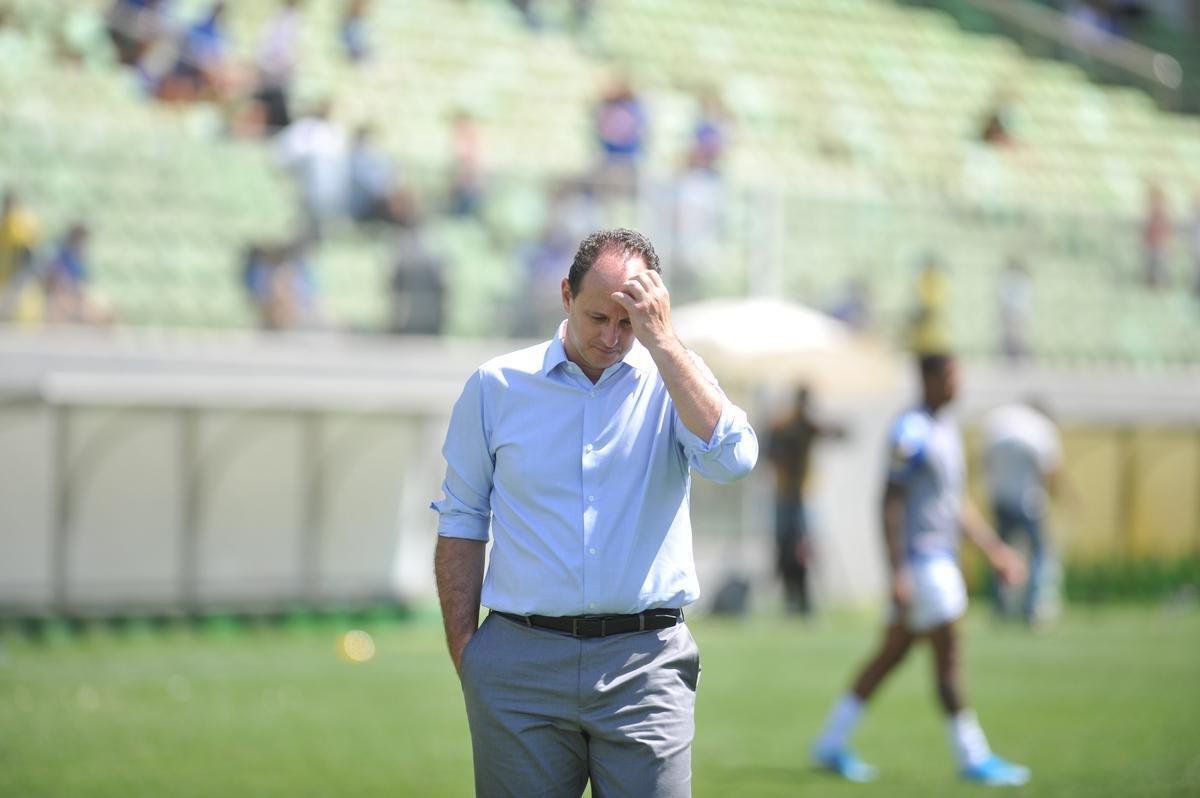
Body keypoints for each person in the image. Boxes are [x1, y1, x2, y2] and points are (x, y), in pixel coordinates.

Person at [431, 228, 758, 797]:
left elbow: (734, 461)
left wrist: (665, 343)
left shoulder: (674, 378)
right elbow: (461, 519)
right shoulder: (496, 386)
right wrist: (469, 655)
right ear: (566, 295)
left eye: (628, 322)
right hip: (519, 661)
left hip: (646, 665)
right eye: (597, 317)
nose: (611, 337)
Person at [810, 353, 1030, 787]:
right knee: (949, 657)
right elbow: (889, 500)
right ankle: (972, 756)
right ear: (928, 379)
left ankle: (830, 742)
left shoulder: (944, 429)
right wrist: (898, 570)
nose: (958, 384)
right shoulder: (910, 431)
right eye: (951, 376)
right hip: (924, 564)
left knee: (891, 655)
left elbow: (954, 503)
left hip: (936, 562)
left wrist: (994, 550)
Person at [982, 399, 1064, 626]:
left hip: (1000, 499)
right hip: (1028, 502)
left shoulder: (1002, 420)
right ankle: (1032, 606)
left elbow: (985, 462)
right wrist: (1057, 495)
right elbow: (1051, 468)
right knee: (1038, 553)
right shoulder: (1041, 428)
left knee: (999, 551)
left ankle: (1000, 606)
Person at [767, 386, 847, 616]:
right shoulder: (783, 425)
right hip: (785, 494)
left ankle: (806, 599)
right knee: (785, 548)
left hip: (803, 495)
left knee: (805, 548)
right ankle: (791, 598)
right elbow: (770, 452)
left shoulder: (809, 426)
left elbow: (840, 433)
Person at [998, 257, 1032, 362]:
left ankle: (1019, 355)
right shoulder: (1007, 278)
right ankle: (1010, 355)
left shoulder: (1022, 279)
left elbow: (1026, 297)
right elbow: (1003, 296)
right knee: (1009, 334)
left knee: (1019, 334)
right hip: (1010, 310)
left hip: (1019, 310)